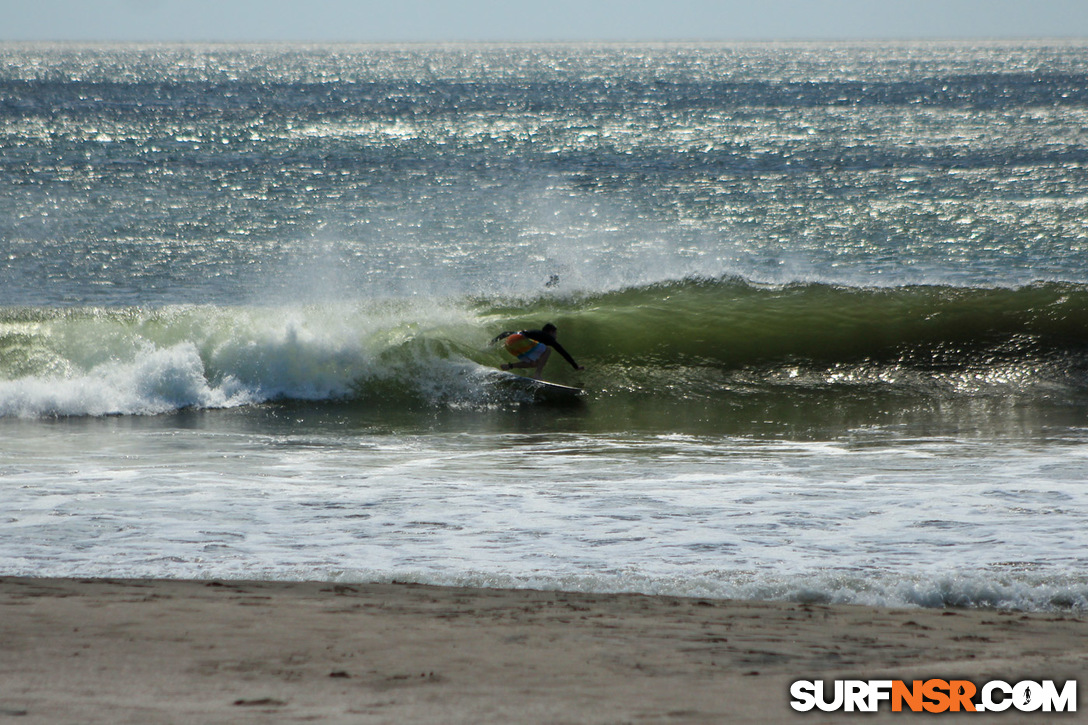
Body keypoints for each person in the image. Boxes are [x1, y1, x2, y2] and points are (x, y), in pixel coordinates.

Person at [493, 323, 585, 380]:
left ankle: (509, 366)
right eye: (555, 333)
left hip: (509, 344)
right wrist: (575, 366)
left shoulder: (535, 334)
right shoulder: (547, 337)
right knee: (548, 350)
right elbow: (562, 352)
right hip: (518, 339)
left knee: (534, 363)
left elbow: (505, 333)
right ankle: (537, 374)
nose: (556, 336)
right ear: (551, 332)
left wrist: (492, 342)